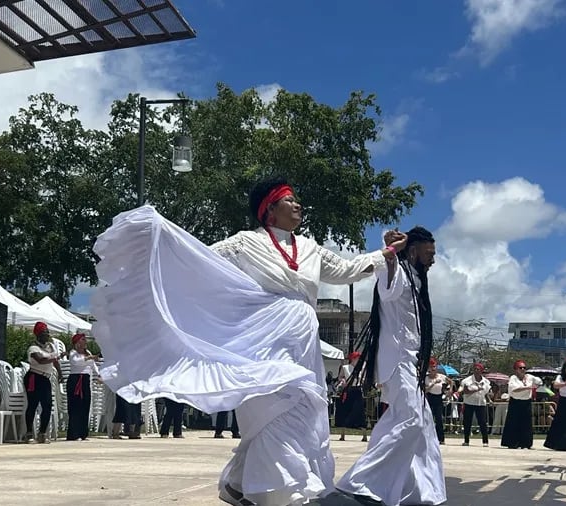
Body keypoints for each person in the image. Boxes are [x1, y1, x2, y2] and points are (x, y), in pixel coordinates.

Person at [91, 176, 401, 506]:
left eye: (297, 200)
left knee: (304, 409)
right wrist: (158, 242)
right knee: (276, 405)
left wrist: (384, 254)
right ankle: (287, 493)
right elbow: (199, 261)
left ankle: (242, 485)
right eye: (289, 200)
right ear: (269, 210)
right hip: (261, 342)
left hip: (303, 346)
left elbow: (346, 270)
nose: (297, 205)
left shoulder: (310, 248)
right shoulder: (244, 243)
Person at [336, 226, 446, 506]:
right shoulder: (397, 271)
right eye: (429, 253)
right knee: (410, 420)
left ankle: (419, 493)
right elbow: (387, 287)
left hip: (409, 361)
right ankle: (359, 485)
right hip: (397, 360)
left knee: (421, 426)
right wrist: (390, 253)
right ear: (412, 251)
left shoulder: (418, 281)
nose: (433, 259)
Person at [23, 322, 62, 444]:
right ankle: (29, 434)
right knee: (33, 405)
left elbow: (54, 362)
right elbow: (40, 360)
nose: (48, 334)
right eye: (45, 332)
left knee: (47, 405)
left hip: (45, 378)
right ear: (38, 334)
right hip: (34, 377)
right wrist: (55, 358)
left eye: (48, 332)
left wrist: (60, 372)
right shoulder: (33, 348)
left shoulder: (50, 347)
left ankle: (42, 433)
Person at [500, 360, 542, 449]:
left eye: (524, 368)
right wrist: (528, 387)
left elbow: (539, 382)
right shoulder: (513, 378)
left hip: (526, 402)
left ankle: (526, 443)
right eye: (520, 368)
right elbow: (514, 389)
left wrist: (535, 385)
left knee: (526, 424)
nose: (522, 369)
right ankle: (512, 443)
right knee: (513, 423)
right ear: (516, 369)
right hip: (515, 402)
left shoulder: (529, 377)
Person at [66, 333, 98, 441]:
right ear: (78, 343)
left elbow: (93, 364)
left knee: (85, 405)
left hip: (85, 380)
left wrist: (99, 375)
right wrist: (88, 358)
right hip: (75, 380)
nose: (85, 342)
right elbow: (76, 362)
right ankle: (74, 433)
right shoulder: (73, 353)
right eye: (83, 340)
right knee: (75, 407)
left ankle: (83, 432)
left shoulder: (87, 353)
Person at [335, 351, 368, 442]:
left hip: (357, 390)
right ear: (353, 359)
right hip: (348, 390)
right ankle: (342, 435)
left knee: (360, 412)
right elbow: (340, 377)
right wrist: (343, 381)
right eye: (357, 358)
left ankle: (364, 435)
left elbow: (364, 378)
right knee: (345, 411)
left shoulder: (362, 368)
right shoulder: (345, 368)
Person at [459, 363, 491, 446]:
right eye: (475, 369)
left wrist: (489, 399)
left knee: (482, 422)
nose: (476, 371)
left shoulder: (486, 381)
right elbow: (465, 392)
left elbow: (486, 393)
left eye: (478, 369)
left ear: (481, 371)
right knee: (467, 422)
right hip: (469, 403)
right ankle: (466, 440)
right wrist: (477, 389)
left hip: (481, 404)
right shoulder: (467, 380)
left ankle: (485, 441)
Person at [425, 358, 450, 445]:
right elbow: (425, 390)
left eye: (434, 367)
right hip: (430, 398)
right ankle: (428, 437)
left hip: (438, 398)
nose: (432, 369)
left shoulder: (441, 376)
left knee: (439, 419)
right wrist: (433, 383)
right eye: (431, 367)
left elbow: (451, 382)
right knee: (429, 419)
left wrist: (449, 392)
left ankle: (441, 438)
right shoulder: (426, 378)